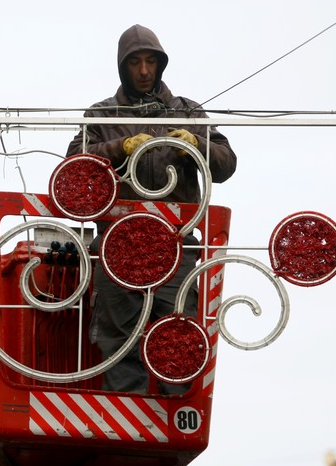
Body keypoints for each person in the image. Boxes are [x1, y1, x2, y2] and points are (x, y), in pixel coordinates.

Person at [66, 24, 237, 394]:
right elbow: (74, 163)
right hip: (117, 245)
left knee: (179, 335)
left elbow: (227, 164)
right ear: (122, 66)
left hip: (175, 245)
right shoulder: (102, 115)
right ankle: (126, 413)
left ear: (161, 64)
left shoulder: (188, 112)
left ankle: (175, 414)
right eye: (135, 63)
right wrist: (121, 147)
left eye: (150, 61)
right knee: (119, 339)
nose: (144, 71)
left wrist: (197, 144)